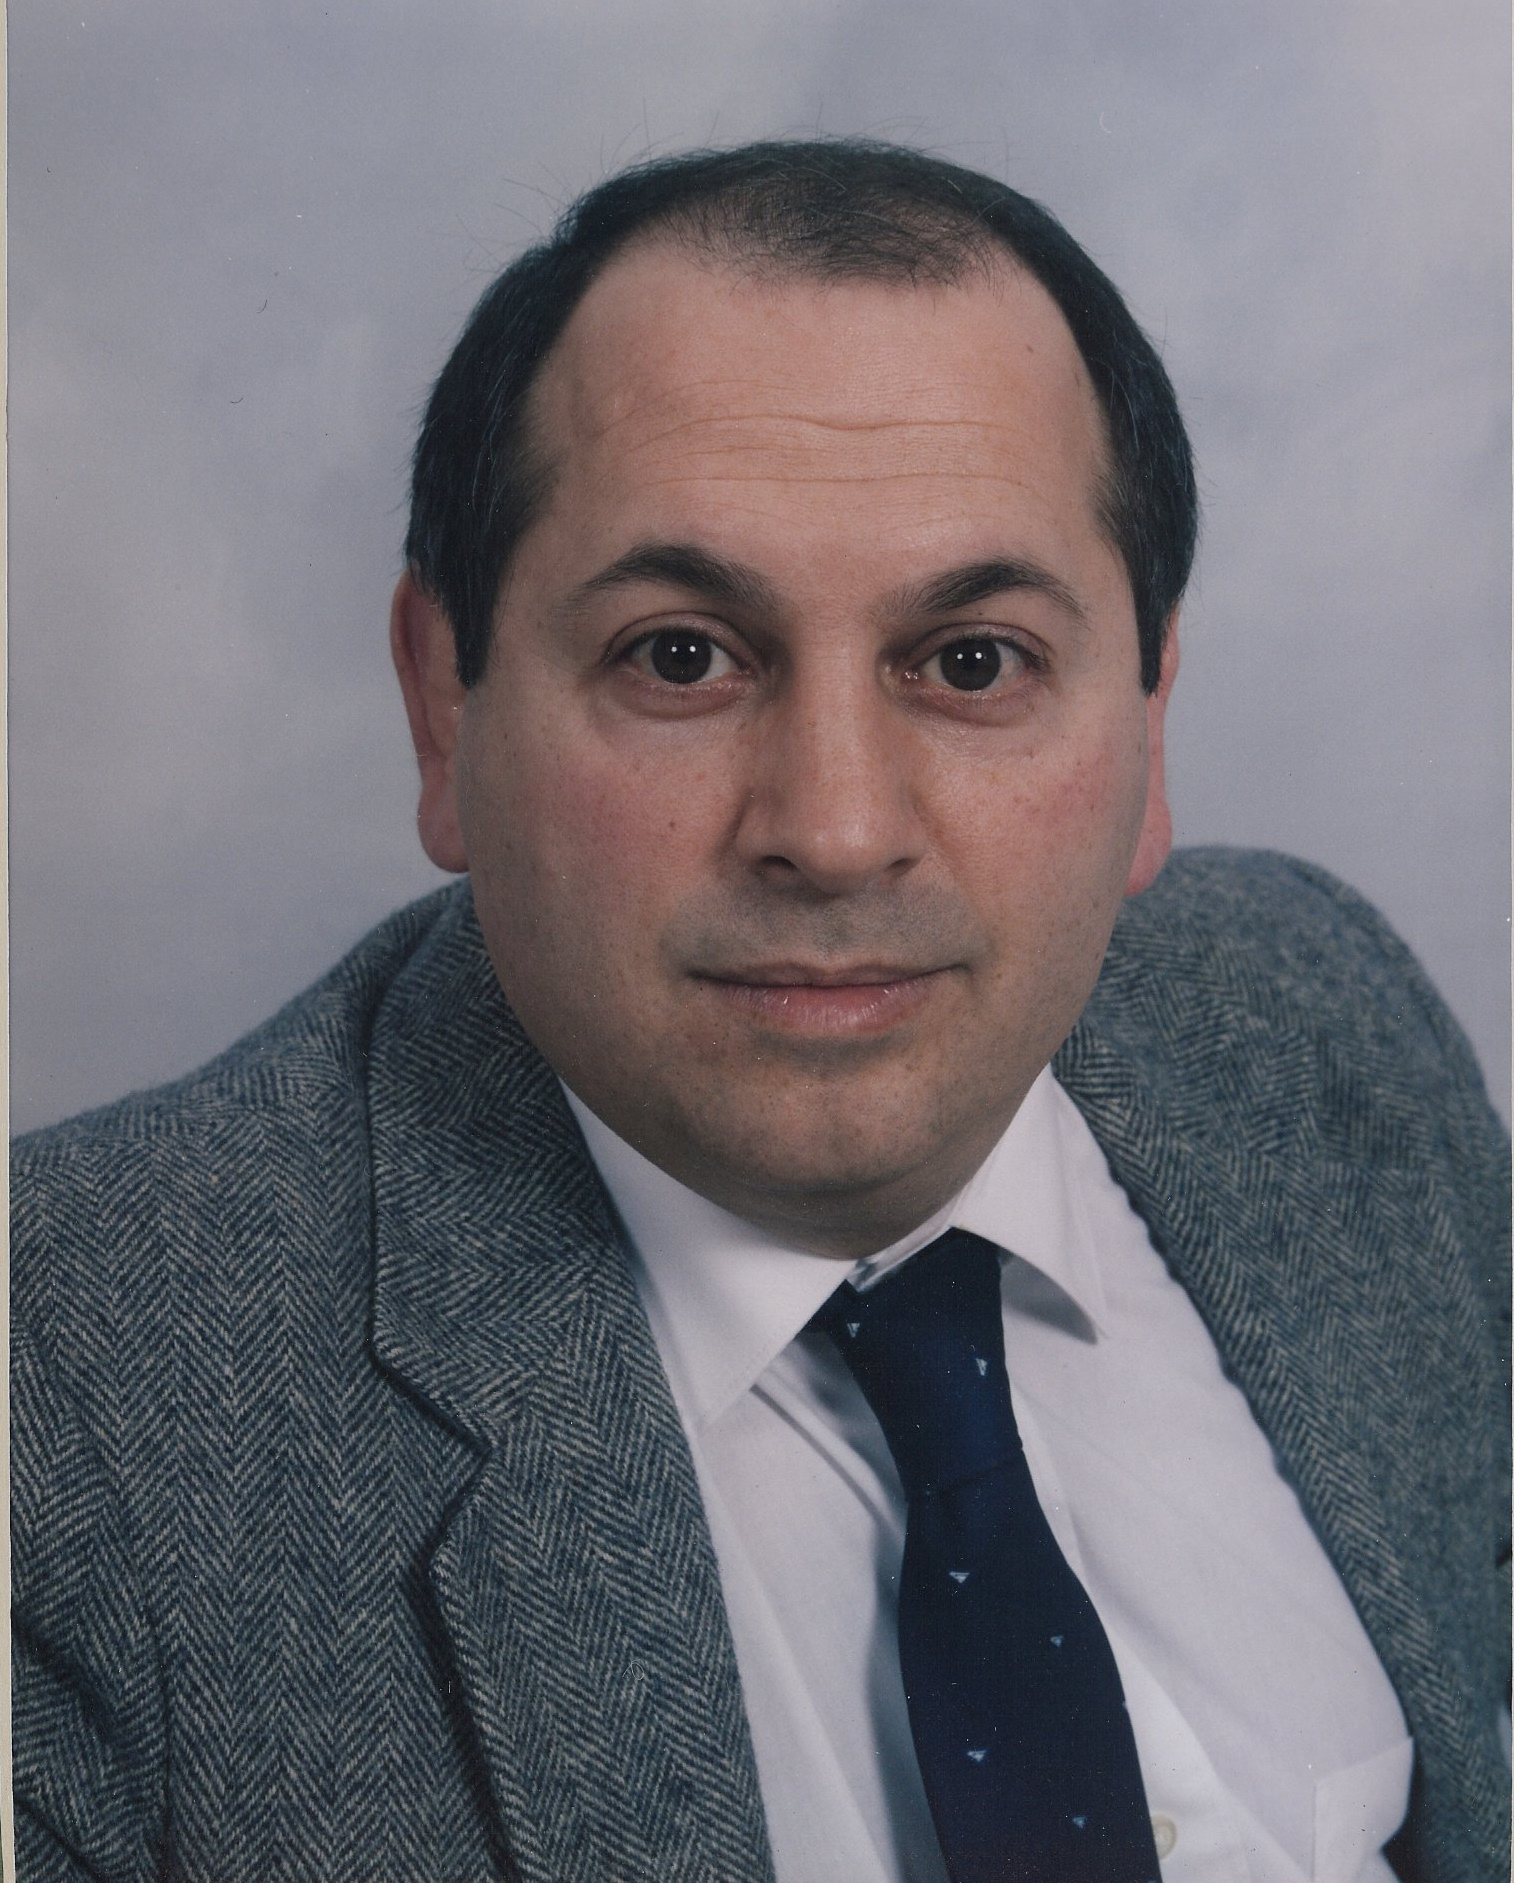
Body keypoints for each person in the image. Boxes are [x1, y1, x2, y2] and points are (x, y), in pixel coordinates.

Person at [11, 140, 1507, 1883]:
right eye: (681, 656)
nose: (835, 829)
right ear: (444, 707)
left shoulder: (1316, 1015)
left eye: (971, 662)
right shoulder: (57, 1418)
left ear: (1147, 721)